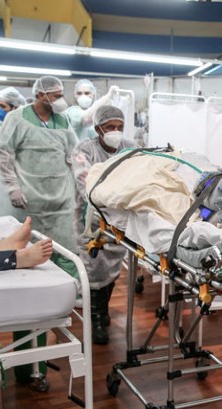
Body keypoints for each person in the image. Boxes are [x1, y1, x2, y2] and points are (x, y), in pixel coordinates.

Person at [0, 75, 78, 274]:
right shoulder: (18, 118)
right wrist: (12, 187)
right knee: (30, 252)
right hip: (30, 199)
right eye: (56, 96)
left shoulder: (63, 120)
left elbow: (73, 156)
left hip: (62, 199)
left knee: (67, 250)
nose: (61, 100)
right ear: (41, 95)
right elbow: (3, 154)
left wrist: (80, 186)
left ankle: (72, 292)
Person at [71, 105, 133, 344]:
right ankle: (96, 318)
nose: (115, 131)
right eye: (110, 127)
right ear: (98, 128)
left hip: (121, 220)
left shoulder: (129, 149)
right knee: (94, 268)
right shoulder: (84, 150)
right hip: (91, 220)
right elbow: (85, 181)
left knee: (112, 267)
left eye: (119, 127)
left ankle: (102, 310)